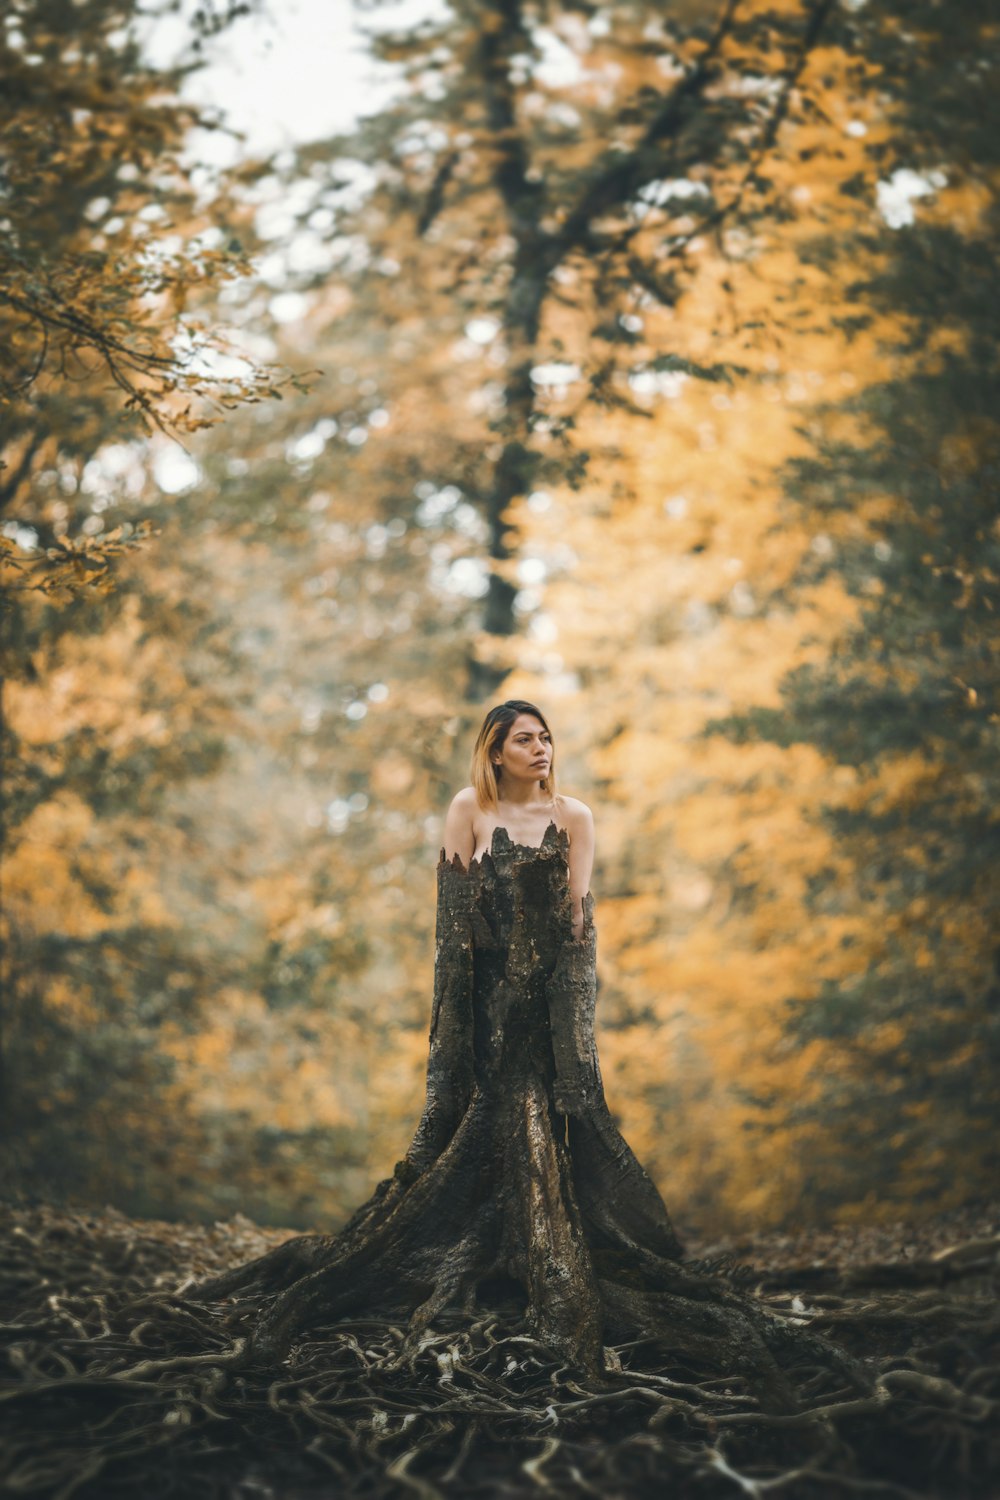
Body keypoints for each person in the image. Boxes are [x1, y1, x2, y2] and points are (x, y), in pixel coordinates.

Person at [442, 699, 595, 940]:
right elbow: (452, 910)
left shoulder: (575, 816)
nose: (540, 749)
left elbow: (579, 914)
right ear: (496, 754)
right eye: (524, 740)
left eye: (545, 739)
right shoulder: (469, 806)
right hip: (482, 969)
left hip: (556, 969)